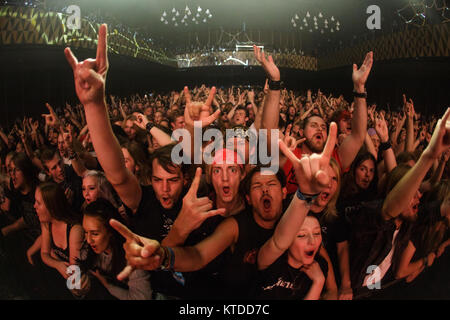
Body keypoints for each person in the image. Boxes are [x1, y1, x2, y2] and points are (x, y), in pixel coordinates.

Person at [79, 199, 152, 300]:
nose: (88, 240)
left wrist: (107, 285)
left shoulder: (132, 255)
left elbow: (141, 298)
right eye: (86, 232)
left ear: (111, 231)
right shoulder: (88, 248)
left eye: (95, 234)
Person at [35, 182, 84, 298]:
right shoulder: (46, 223)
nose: (34, 206)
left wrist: (54, 256)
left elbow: (74, 277)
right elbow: (44, 253)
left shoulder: (75, 230)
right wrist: (58, 264)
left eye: (38, 203)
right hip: (61, 282)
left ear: (51, 206)